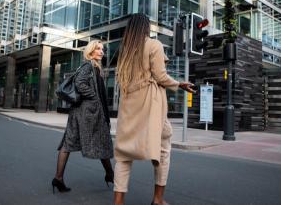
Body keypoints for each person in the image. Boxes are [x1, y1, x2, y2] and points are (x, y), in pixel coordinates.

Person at [113, 13, 194, 205]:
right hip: (150, 106)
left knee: (124, 155)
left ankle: (118, 202)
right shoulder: (154, 45)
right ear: (146, 27)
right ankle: (158, 199)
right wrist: (179, 84)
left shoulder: (125, 50)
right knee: (163, 147)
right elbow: (160, 76)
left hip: (128, 106)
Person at [52, 40, 114, 193]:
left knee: (68, 143)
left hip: (78, 112)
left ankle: (58, 178)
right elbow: (80, 83)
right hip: (89, 113)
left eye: (102, 49)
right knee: (101, 140)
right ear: (91, 51)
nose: (101, 52)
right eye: (98, 49)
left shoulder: (93, 67)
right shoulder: (89, 66)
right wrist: (94, 97)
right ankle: (111, 174)